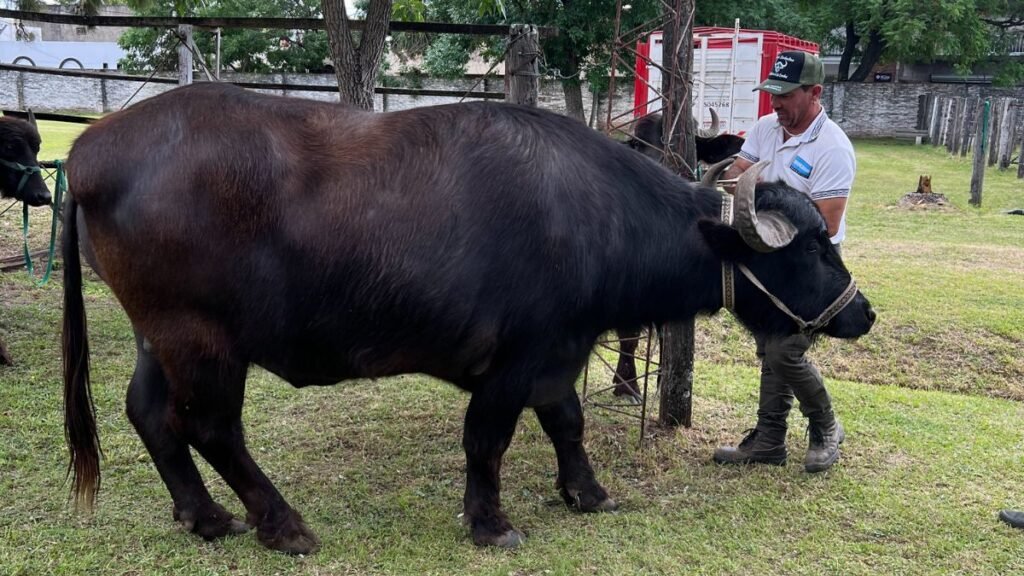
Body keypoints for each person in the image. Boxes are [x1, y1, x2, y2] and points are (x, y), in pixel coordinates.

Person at [713, 51, 856, 473]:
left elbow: (825, 225)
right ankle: (770, 439)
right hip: (769, 258)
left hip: (811, 266)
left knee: (785, 350)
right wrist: (729, 182)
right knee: (769, 347)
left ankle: (826, 425)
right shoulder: (765, 128)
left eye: (784, 94)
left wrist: (762, 203)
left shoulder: (833, 148)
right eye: (771, 93)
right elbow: (735, 174)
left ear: (815, 93)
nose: (775, 103)